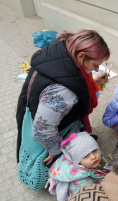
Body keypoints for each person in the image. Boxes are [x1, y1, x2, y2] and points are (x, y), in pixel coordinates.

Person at [16, 29, 110, 166]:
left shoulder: (60, 50)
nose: (96, 70)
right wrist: (55, 151)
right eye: (95, 65)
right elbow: (42, 129)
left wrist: (93, 83)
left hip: (32, 107)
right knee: (68, 161)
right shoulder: (62, 91)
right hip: (55, 130)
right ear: (82, 56)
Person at [48, 132, 110, 201]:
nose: (93, 157)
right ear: (77, 161)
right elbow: (89, 200)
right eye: (85, 156)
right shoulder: (82, 184)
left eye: (94, 150)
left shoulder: (90, 162)